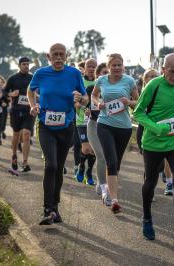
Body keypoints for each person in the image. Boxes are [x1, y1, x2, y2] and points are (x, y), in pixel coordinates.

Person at [134, 53, 174, 246]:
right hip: (153, 143)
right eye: (172, 71)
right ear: (163, 69)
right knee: (150, 182)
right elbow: (138, 113)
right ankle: (146, 219)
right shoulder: (154, 85)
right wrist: (157, 128)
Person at [27, 43, 88, 225]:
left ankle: (55, 208)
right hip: (45, 125)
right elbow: (30, 90)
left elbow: (85, 99)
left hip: (66, 126)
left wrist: (80, 98)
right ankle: (47, 209)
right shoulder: (40, 74)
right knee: (51, 165)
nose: (59, 57)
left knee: (59, 167)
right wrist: (33, 105)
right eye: (55, 54)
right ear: (49, 56)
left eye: (62, 54)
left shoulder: (74, 74)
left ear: (66, 56)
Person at [91, 53, 139, 214]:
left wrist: (129, 102)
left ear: (123, 66)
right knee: (110, 161)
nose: (117, 68)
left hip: (124, 128)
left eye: (120, 65)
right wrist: (98, 104)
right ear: (109, 66)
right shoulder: (101, 80)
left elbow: (138, 103)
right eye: (114, 65)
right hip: (104, 124)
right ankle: (114, 200)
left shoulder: (129, 81)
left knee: (116, 163)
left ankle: (109, 189)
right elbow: (94, 95)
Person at [136, 68, 174, 195]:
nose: (152, 78)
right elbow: (137, 110)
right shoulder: (142, 94)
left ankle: (169, 183)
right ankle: (149, 190)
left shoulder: (166, 91)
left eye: (155, 76)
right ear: (144, 80)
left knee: (166, 160)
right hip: (146, 131)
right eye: (149, 76)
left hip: (164, 129)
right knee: (150, 165)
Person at [5, 57, 34, 174]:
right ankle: (14, 155)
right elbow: (4, 92)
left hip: (28, 111)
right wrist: (11, 94)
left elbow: (39, 90)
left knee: (26, 135)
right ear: (19, 65)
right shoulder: (13, 78)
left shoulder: (32, 78)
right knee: (16, 135)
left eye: (27, 64)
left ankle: (25, 162)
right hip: (16, 111)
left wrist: (36, 97)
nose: (26, 66)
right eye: (24, 64)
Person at [87, 62, 110, 201]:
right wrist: (83, 105)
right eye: (103, 73)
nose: (106, 76)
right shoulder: (91, 88)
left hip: (109, 127)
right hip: (94, 125)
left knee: (109, 158)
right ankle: (103, 187)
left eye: (108, 73)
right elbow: (83, 102)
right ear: (97, 76)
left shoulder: (115, 89)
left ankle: (102, 180)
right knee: (101, 156)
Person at [74, 58, 97, 186]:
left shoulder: (100, 82)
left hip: (96, 120)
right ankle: (81, 166)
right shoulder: (80, 82)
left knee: (93, 150)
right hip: (82, 119)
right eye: (89, 66)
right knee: (86, 148)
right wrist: (82, 107)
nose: (91, 69)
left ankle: (89, 172)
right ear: (85, 67)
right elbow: (76, 101)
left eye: (94, 67)